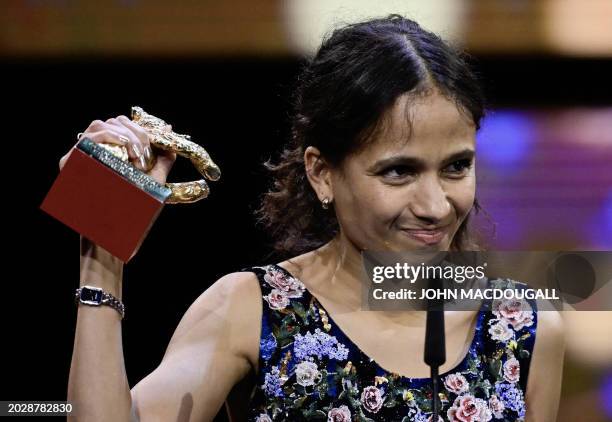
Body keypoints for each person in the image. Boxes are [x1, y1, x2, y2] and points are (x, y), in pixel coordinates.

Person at [64, 14, 565, 422]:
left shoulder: (522, 328)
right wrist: (102, 252)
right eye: (398, 172)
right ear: (323, 173)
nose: (435, 205)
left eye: (457, 166)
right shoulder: (249, 311)